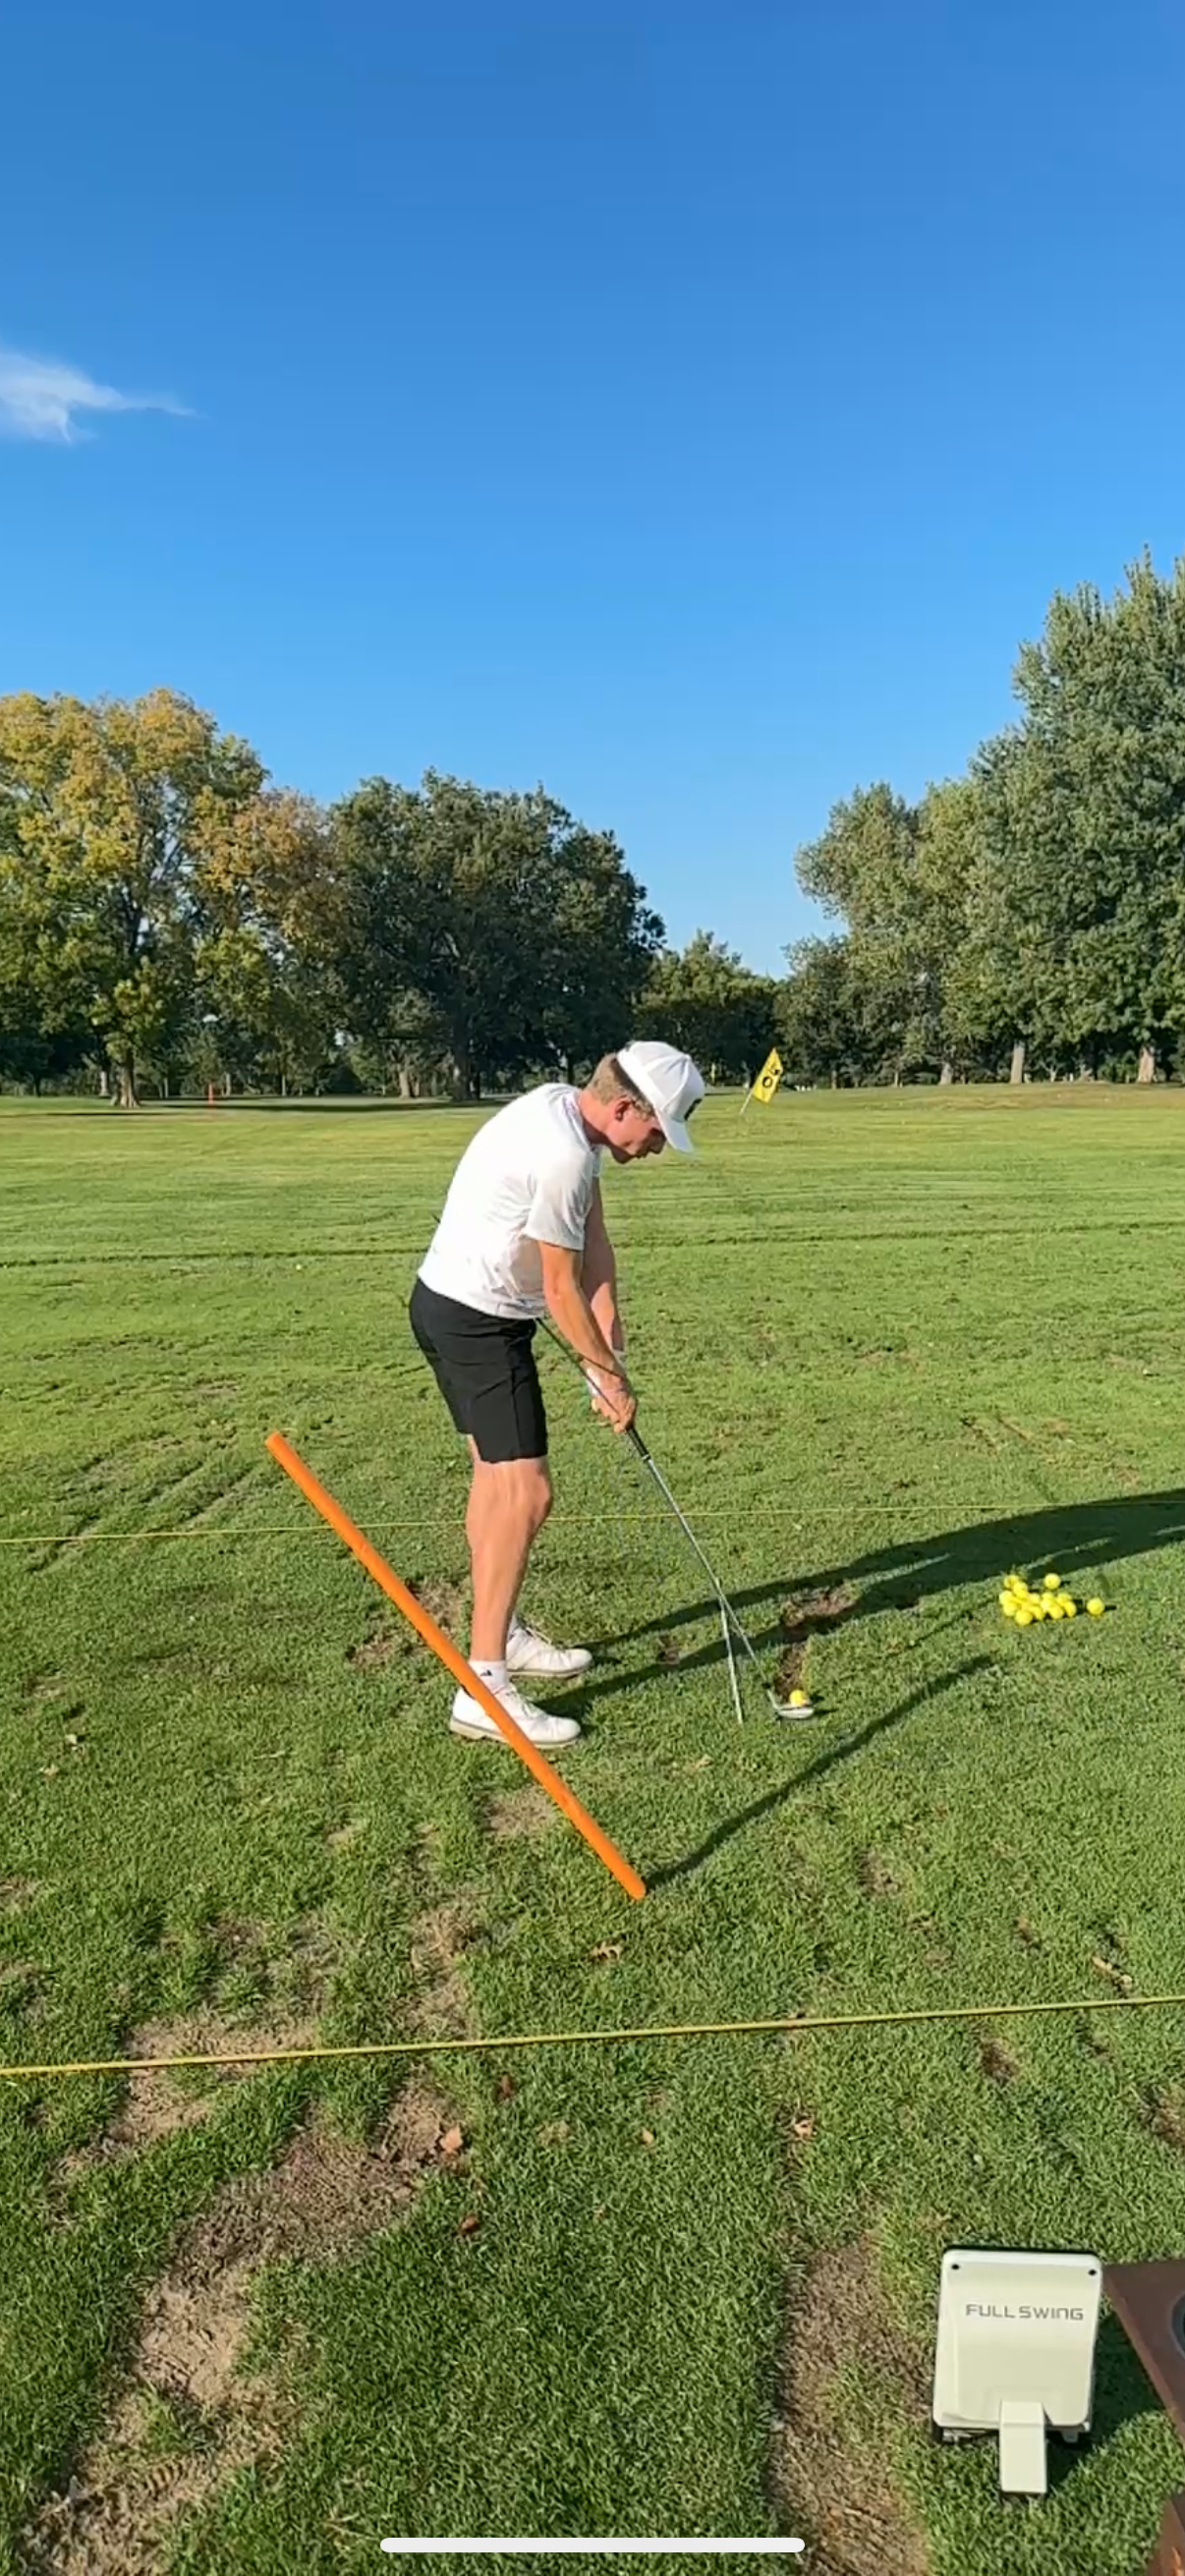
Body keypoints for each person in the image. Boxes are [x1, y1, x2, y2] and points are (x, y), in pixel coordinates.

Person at [409, 1040, 705, 1750]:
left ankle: (498, 1634)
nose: (659, 1147)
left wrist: (613, 1352)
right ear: (625, 1106)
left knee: (496, 1480)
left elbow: (593, 1249)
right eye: (659, 1130)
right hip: (478, 1321)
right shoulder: (567, 1152)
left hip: (449, 1305)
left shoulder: (566, 1117)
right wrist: (603, 1376)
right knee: (527, 1494)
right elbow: (556, 1287)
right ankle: (483, 1687)